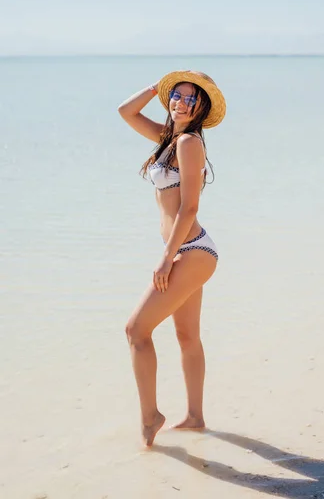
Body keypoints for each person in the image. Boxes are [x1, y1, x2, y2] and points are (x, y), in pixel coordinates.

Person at [118, 70, 226, 448]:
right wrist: (155, 88)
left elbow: (190, 205)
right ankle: (195, 418)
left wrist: (167, 259)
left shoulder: (189, 143)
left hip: (191, 250)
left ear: (201, 107)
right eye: (176, 96)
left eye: (190, 98)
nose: (181, 102)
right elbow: (125, 112)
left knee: (136, 330)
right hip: (185, 250)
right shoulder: (169, 139)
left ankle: (151, 417)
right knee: (187, 336)